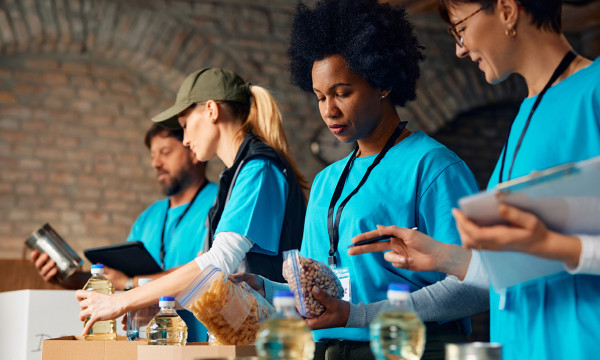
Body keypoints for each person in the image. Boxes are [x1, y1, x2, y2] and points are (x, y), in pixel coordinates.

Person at [238, 1, 488, 359]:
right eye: (320, 97)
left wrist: (362, 316)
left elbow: (477, 285)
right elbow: (318, 293)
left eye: (342, 92)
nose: (329, 110)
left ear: (382, 82)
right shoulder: (326, 181)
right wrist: (262, 287)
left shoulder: (434, 167)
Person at [350, 0, 600, 358]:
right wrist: (443, 257)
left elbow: (548, 251)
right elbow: (514, 268)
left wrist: (553, 246)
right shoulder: (524, 118)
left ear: (508, 10)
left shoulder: (593, 91)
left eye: (461, 28)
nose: (460, 48)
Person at [76, 68, 308, 336]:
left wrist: (122, 300)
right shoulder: (233, 177)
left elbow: (217, 262)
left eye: (185, 125)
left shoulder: (259, 169)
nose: (185, 139)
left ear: (211, 110)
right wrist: (160, 304)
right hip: (250, 337)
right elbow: (216, 280)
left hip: (277, 341)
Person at [31, 123, 218, 341]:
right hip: (147, 343)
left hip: (200, 343)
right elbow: (114, 280)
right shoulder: (149, 216)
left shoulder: (220, 204)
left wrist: (130, 283)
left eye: (165, 153)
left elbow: (208, 271)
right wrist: (63, 278)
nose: (156, 163)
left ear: (193, 151)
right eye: (153, 155)